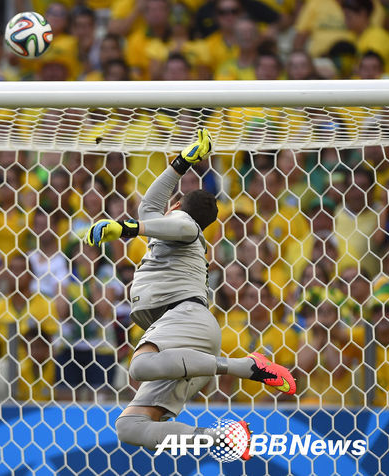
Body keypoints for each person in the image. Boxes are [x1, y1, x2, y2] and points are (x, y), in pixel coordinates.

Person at [85, 129, 296, 460]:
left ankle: (245, 366)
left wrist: (124, 228)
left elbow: (175, 223)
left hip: (185, 319)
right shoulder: (169, 231)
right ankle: (221, 438)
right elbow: (150, 205)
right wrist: (182, 162)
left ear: (178, 206)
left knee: (138, 367)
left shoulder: (187, 228)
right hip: (181, 341)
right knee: (130, 427)